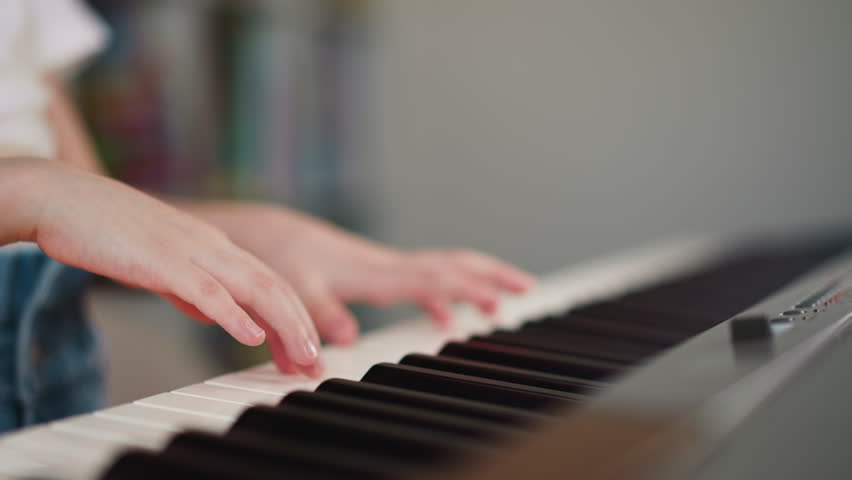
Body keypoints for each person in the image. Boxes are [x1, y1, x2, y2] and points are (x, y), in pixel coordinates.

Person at [0, 0, 534, 432]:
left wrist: (255, 237)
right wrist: (26, 194)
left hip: (49, 319)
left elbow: (83, 197)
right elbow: (43, 195)